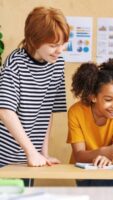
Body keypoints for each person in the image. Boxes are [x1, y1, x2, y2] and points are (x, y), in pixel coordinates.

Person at [0, 7, 69, 168]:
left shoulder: (57, 64)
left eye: (63, 44)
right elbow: (4, 111)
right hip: (4, 157)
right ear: (34, 41)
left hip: (31, 157)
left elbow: (47, 111)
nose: (59, 50)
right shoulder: (15, 64)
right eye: (53, 45)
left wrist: (43, 153)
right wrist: (30, 151)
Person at [67, 59, 113, 186]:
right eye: (109, 99)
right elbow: (79, 155)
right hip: (84, 171)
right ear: (93, 97)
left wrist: (107, 156)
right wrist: (103, 152)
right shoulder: (76, 112)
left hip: (110, 170)